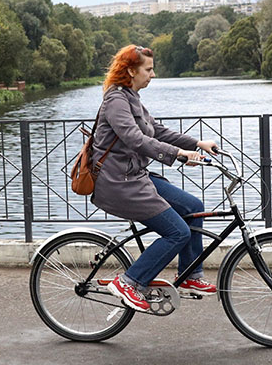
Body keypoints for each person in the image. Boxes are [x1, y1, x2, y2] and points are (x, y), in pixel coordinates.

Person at [89, 44, 221, 311]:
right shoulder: (115, 100)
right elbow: (136, 139)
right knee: (177, 232)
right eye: (148, 69)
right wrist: (179, 154)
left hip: (137, 176)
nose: (153, 74)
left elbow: (156, 131)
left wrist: (197, 143)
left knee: (193, 207)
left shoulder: (131, 96)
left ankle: (190, 277)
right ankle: (130, 281)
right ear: (130, 70)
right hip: (120, 184)